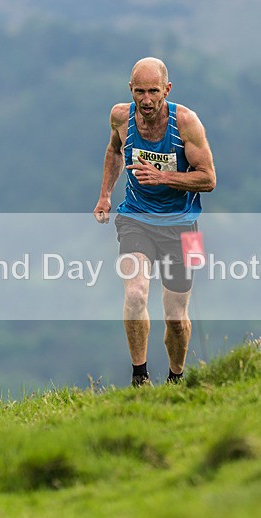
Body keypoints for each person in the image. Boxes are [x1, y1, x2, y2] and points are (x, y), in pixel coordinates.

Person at [93, 57, 216, 387]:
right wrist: (105, 195)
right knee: (135, 293)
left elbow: (208, 179)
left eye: (153, 92)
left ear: (167, 89)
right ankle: (140, 378)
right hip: (136, 218)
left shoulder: (186, 123)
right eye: (139, 92)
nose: (146, 100)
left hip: (184, 226)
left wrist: (163, 177)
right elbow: (114, 151)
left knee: (176, 316)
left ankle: (176, 380)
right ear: (130, 89)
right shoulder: (120, 117)